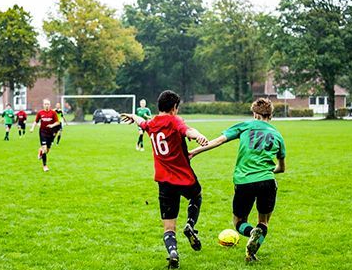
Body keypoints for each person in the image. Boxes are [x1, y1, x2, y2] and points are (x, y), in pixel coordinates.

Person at [189, 98, 286, 262]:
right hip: (268, 181)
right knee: (263, 222)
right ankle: (252, 251)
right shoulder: (277, 135)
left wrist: (194, 152)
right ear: (271, 115)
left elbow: (218, 141)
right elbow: (281, 168)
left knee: (239, 221)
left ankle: (250, 234)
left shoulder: (245, 126)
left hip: (244, 182)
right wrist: (268, 171)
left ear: (255, 114)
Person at [121, 90, 209, 269]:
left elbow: (142, 123)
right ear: (174, 108)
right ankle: (190, 225)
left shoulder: (152, 123)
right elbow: (188, 130)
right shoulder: (174, 120)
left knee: (169, 227)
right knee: (197, 195)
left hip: (164, 182)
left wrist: (132, 116)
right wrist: (198, 136)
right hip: (184, 178)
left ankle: (173, 253)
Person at [30, 99, 60, 172]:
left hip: (51, 133)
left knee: (47, 150)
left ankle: (40, 151)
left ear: (50, 105)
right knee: (44, 148)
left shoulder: (53, 113)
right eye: (45, 104)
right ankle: (45, 165)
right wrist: (32, 128)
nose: (47, 105)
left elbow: (58, 123)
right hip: (43, 132)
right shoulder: (40, 113)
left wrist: (52, 125)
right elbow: (35, 121)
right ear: (43, 105)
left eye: (48, 104)